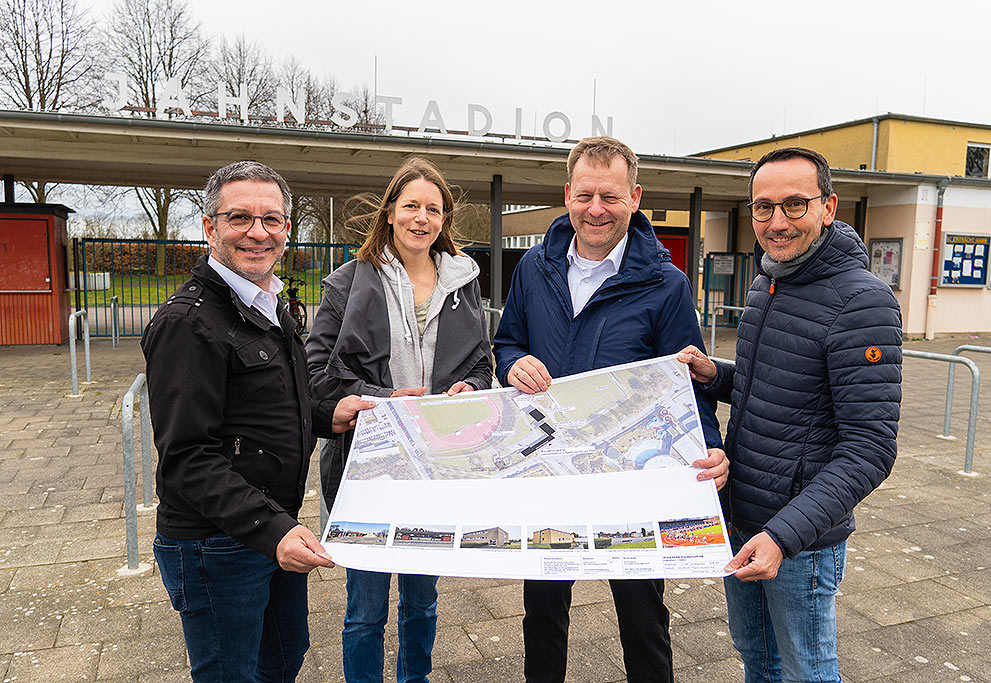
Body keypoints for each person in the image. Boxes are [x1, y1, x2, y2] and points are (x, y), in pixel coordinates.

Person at [492, 136, 728, 683]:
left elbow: (687, 380)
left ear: (635, 197)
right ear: (568, 194)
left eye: (611, 197)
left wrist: (710, 446)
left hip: (631, 478)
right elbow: (506, 341)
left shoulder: (666, 285)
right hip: (550, 470)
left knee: (643, 617)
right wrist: (513, 363)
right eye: (586, 195)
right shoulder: (532, 268)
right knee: (543, 613)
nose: (596, 209)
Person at [142, 160, 374, 682]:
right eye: (239, 217)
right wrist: (273, 532)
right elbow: (186, 458)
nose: (257, 232)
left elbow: (270, 402)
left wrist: (328, 414)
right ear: (209, 226)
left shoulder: (271, 303)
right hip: (218, 544)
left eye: (271, 219)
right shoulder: (189, 324)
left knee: (284, 658)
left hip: (271, 528)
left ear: (287, 230)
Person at [678, 147, 902, 683]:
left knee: (807, 671)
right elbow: (772, 388)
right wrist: (717, 375)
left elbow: (870, 448)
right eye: (763, 207)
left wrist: (784, 536)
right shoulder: (768, 283)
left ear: (829, 206)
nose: (777, 222)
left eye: (795, 205)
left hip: (798, 540)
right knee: (758, 659)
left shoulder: (862, 301)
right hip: (741, 515)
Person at [305, 156, 492, 683]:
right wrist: (385, 400)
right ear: (390, 212)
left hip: (434, 466)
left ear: (443, 220)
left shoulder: (464, 281)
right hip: (369, 468)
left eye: (433, 209)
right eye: (411, 205)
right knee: (365, 609)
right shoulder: (346, 283)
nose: (421, 218)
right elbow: (317, 373)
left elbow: (481, 358)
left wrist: (472, 387)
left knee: (422, 602)